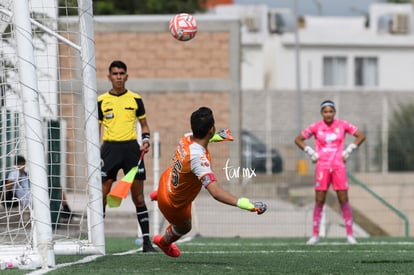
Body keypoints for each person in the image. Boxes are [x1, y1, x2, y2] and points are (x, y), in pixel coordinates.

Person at [151, 107, 267, 257]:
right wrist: (247, 204)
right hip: (173, 204)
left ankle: (159, 194)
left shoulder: (186, 137)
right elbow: (216, 193)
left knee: (178, 179)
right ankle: (164, 242)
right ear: (211, 129)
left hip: (166, 181)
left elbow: (203, 139)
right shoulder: (198, 160)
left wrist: (218, 136)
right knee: (185, 227)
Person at [98, 60, 155, 252]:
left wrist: (145, 140)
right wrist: (95, 150)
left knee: (138, 197)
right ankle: (98, 241)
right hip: (109, 150)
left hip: (132, 150)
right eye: (115, 74)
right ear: (109, 77)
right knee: (102, 194)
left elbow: (144, 126)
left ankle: (147, 242)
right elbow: (95, 128)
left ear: (127, 76)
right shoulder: (101, 101)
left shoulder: (135, 99)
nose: (118, 77)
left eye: (121, 73)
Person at [294, 100, 365, 245]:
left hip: (338, 166)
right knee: (320, 200)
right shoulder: (316, 127)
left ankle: (350, 235)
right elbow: (298, 139)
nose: (328, 114)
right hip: (322, 166)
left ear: (334, 112)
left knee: (343, 199)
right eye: (325, 111)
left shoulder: (342, 125)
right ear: (321, 113)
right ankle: (315, 235)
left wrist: (348, 150)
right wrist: (311, 152)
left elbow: (360, 136)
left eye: (331, 111)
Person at [5, 155, 79, 220]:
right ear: (16, 165)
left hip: (33, 194)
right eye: (20, 164)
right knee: (54, 191)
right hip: (26, 198)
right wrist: (16, 180)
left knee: (57, 187)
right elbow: (7, 187)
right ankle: (63, 212)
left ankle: (66, 209)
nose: (22, 167)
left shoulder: (25, 174)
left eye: (23, 164)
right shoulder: (14, 173)